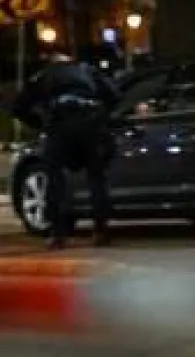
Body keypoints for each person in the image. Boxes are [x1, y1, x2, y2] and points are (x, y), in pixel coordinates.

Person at [10, 50, 119, 250]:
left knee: (54, 179)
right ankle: (101, 231)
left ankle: (58, 234)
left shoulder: (43, 76)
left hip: (60, 127)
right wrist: (102, 117)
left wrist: (40, 123)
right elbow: (114, 96)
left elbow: (18, 108)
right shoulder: (88, 71)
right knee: (97, 178)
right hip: (91, 124)